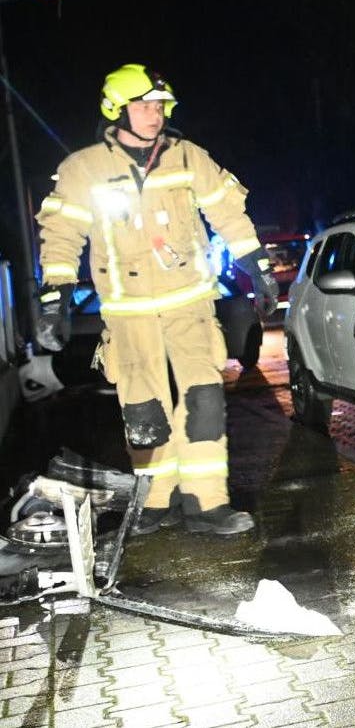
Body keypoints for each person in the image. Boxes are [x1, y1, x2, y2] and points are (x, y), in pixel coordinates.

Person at [34, 64, 280, 537]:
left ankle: (208, 504)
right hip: (128, 314)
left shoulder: (188, 157)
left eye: (160, 106)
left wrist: (259, 268)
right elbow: (62, 234)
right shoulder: (84, 169)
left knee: (204, 400)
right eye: (144, 106)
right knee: (145, 411)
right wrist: (55, 298)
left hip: (189, 302)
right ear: (117, 110)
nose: (154, 114)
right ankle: (154, 501)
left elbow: (228, 212)